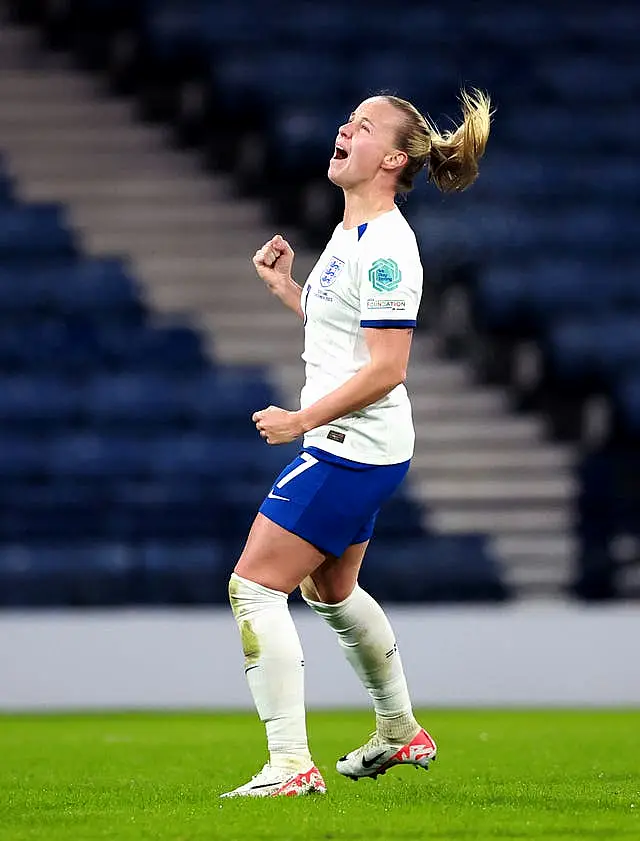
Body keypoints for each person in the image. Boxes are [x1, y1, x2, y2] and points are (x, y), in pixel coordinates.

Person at [222, 89, 492, 798]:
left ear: (393, 158)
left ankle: (289, 764)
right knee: (332, 590)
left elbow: (388, 366)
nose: (345, 127)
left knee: (252, 587)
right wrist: (287, 289)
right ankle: (401, 731)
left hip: (349, 444)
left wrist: (300, 421)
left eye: (363, 126)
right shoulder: (353, 232)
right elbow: (340, 323)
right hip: (366, 443)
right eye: (349, 120)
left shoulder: (387, 248)